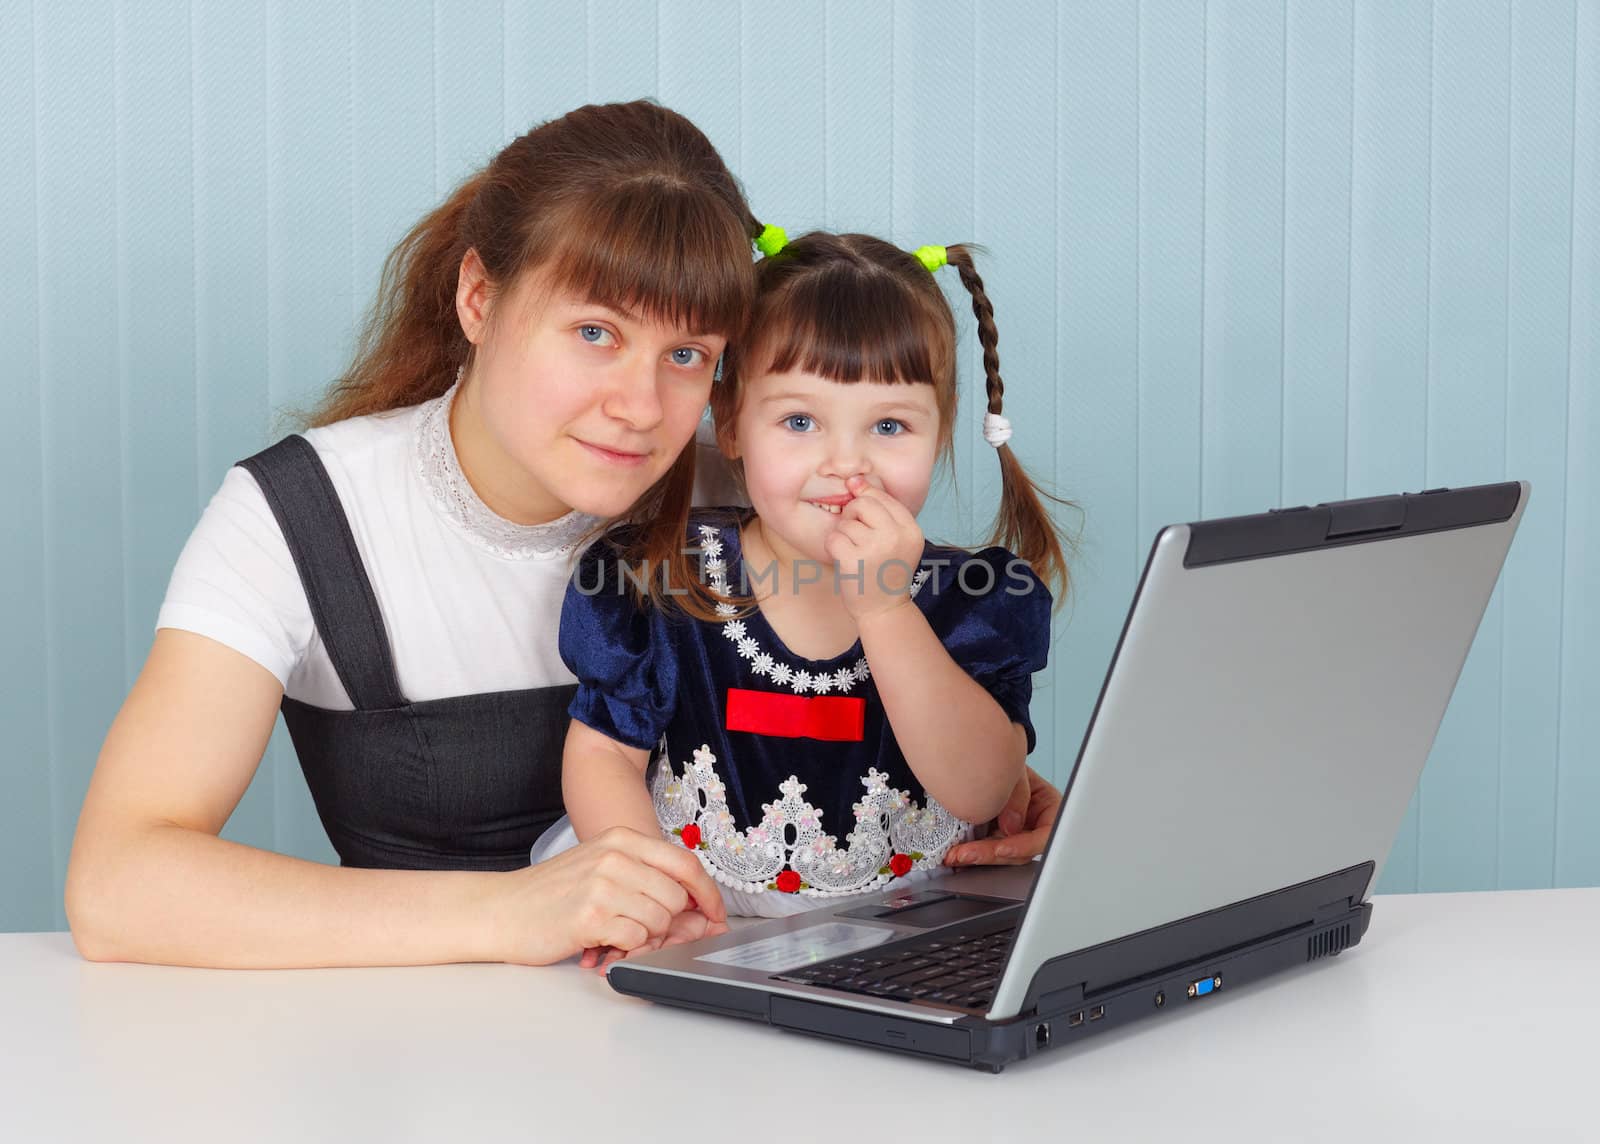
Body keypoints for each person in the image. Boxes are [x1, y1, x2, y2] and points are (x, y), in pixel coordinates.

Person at [65, 103, 1060, 971]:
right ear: (478, 299)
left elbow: (887, 689)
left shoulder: (755, 488)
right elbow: (120, 884)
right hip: (418, 1040)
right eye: (595, 333)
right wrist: (510, 908)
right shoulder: (302, 518)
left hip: (704, 1020)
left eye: (685, 353)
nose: (637, 405)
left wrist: (990, 795)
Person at [549, 231, 1072, 961]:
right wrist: (648, 890)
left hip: (912, 929)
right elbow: (604, 752)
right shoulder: (662, 577)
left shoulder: (972, 596)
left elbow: (981, 792)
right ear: (731, 423)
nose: (847, 464)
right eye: (800, 422)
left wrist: (885, 609)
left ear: (939, 434)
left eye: (889, 426)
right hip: (703, 915)